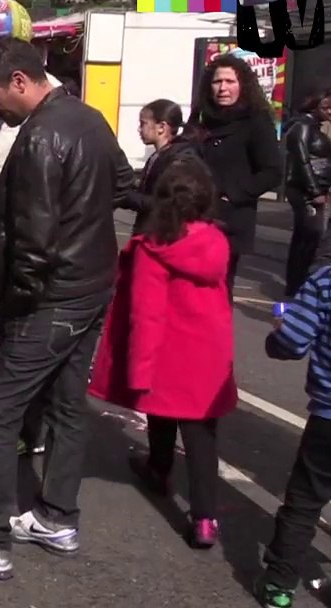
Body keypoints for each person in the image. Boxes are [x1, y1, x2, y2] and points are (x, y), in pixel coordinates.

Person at [0, 37, 134, 580]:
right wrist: (82, 222)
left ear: (19, 81)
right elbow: (123, 183)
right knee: (66, 403)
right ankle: (56, 516)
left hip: (52, 295)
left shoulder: (39, 137)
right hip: (91, 283)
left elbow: (33, 241)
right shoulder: (89, 118)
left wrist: (15, 304)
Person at [89, 158, 236, 548]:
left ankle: (159, 468)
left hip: (168, 351)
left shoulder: (153, 249)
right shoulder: (216, 242)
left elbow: (146, 314)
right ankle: (205, 518)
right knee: (202, 438)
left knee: (161, 412)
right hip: (208, 354)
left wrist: (137, 370)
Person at [258, 255, 331, 607]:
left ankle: (279, 586)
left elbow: (291, 342)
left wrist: (279, 332)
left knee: (304, 502)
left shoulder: (327, 282)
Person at [187, 53, 284, 297]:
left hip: (228, 221)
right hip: (191, 215)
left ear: (243, 85)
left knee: (217, 290)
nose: (223, 88)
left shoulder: (255, 120)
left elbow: (272, 171)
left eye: (230, 82)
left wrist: (234, 194)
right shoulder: (201, 118)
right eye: (217, 82)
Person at [283, 90, 331, 296]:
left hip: (315, 188)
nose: (330, 113)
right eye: (326, 108)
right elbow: (301, 161)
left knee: (307, 239)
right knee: (308, 239)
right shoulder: (302, 127)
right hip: (306, 191)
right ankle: (296, 285)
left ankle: (297, 284)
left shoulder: (313, 127)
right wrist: (314, 191)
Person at [122, 99, 201, 234]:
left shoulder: (179, 159)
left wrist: (124, 197)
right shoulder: (158, 155)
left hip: (162, 235)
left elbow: (165, 203)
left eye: (143, 124)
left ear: (161, 127)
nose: (139, 129)